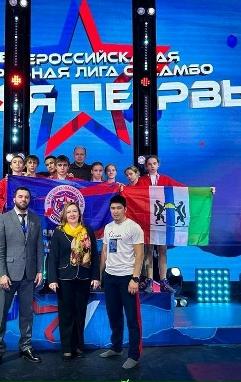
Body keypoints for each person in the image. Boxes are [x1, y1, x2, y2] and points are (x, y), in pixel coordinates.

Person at [0, 187, 45, 370]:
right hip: (9, 276)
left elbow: (39, 247)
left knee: (27, 314)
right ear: (14, 199)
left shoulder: (35, 219)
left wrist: (40, 270)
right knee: (2, 314)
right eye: (20, 196)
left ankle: (25, 347)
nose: (24, 199)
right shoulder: (3, 219)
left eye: (26, 197)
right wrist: (2, 274)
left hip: (29, 275)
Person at [48, 203, 100, 361]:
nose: (72, 214)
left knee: (80, 313)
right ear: (65, 215)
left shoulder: (87, 231)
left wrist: (96, 276)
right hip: (64, 278)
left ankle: (78, 346)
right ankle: (67, 348)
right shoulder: (59, 232)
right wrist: (52, 279)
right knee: (66, 314)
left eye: (74, 211)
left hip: (84, 277)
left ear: (79, 213)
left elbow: (94, 256)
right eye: (69, 212)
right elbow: (53, 257)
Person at [99, 195, 144, 369]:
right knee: (113, 315)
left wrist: (135, 278)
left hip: (127, 278)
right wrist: (100, 275)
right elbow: (104, 252)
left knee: (132, 319)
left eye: (119, 208)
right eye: (113, 208)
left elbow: (139, 255)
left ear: (125, 209)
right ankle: (116, 348)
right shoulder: (108, 228)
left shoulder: (134, 228)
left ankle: (134, 355)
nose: (115, 211)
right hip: (110, 277)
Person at [137, 155, 186, 294]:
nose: (152, 166)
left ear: (158, 165)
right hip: (147, 220)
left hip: (162, 220)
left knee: (162, 250)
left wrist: (205, 191)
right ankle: (149, 280)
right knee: (148, 250)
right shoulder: (142, 180)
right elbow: (132, 192)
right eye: (149, 164)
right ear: (146, 166)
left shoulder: (165, 179)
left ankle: (164, 281)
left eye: (154, 163)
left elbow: (182, 188)